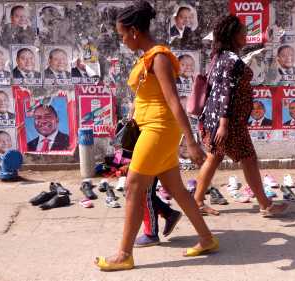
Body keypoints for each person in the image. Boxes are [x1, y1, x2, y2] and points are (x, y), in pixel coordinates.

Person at [95, 1, 216, 271]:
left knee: (133, 187)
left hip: (159, 128)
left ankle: (124, 254)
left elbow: (174, 102)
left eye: (123, 34)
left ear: (135, 31)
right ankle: (207, 239)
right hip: (151, 128)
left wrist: (192, 143)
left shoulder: (159, 57)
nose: (123, 40)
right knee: (178, 190)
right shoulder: (148, 56)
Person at [194, 14, 288, 217]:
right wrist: (224, 125)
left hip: (216, 119)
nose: (247, 37)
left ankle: (197, 201)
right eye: (243, 34)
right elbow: (226, 93)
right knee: (249, 159)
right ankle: (265, 205)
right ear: (233, 35)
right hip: (229, 124)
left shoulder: (219, 57)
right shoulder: (232, 60)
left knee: (214, 157)